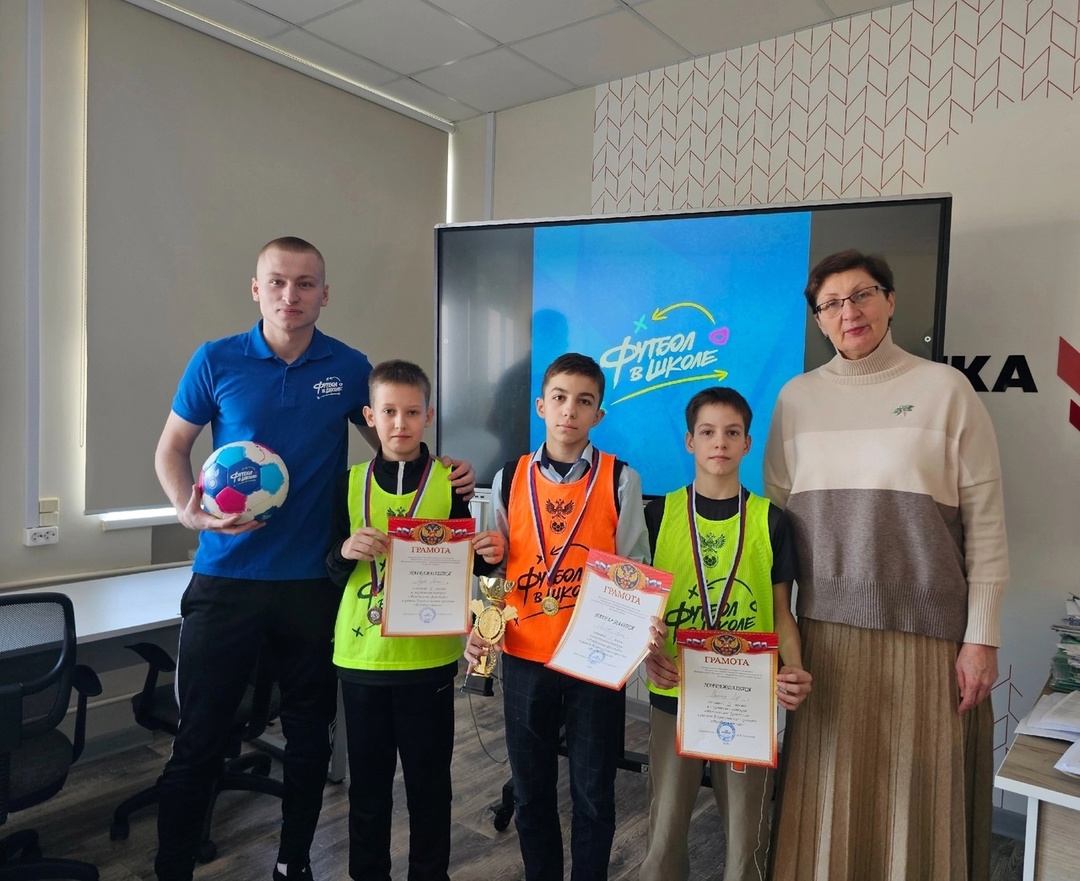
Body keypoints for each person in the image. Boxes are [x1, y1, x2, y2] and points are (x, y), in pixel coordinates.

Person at [153, 237, 474, 881]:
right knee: (199, 737)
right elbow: (172, 448)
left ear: (324, 294)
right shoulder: (216, 360)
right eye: (276, 282)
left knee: (309, 739)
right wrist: (188, 511)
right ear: (256, 289)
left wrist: (446, 472)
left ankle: (292, 863)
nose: (290, 296)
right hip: (226, 578)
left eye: (305, 284)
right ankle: (172, 867)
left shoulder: (348, 367)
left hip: (312, 586)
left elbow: (392, 441)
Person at [764, 250, 1008, 881]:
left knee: (917, 800)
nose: (849, 312)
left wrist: (981, 637)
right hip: (824, 636)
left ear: (891, 301)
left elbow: (986, 523)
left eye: (863, 294)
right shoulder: (796, 399)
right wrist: (777, 637)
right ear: (819, 320)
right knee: (828, 797)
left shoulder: (945, 390)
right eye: (832, 303)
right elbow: (775, 531)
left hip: (928, 639)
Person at [464, 352, 649, 881]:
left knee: (593, 793)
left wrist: (636, 634)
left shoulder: (621, 479)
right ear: (541, 405)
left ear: (598, 414)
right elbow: (497, 565)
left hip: (594, 663)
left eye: (584, 401)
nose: (570, 410)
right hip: (526, 655)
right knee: (531, 790)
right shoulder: (509, 476)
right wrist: (485, 628)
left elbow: (635, 568)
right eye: (560, 398)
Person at [325, 359, 505, 881]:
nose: (399, 423)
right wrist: (345, 551)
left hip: (429, 660)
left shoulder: (454, 483)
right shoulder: (347, 484)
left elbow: (473, 563)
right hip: (363, 657)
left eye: (411, 412)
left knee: (430, 787)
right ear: (370, 417)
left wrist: (491, 556)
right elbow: (328, 569)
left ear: (428, 416)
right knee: (368, 789)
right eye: (388, 412)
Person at [639, 387, 812, 881]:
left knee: (746, 837)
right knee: (664, 833)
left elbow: (781, 613)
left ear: (747, 443)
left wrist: (794, 669)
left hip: (745, 697)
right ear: (690, 441)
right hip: (674, 690)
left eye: (732, 432)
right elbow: (638, 607)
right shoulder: (658, 515)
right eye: (708, 432)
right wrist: (646, 653)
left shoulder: (772, 520)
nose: (720, 442)